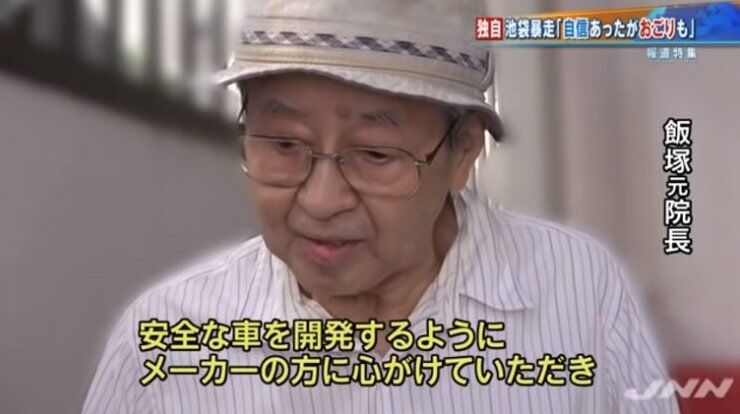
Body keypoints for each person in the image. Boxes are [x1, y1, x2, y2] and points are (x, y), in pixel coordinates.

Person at [82, 1, 680, 413]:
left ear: (463, 151)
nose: (320, 201)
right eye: (284, 145)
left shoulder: (578, 287)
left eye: (374, 154)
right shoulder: (167, 336)